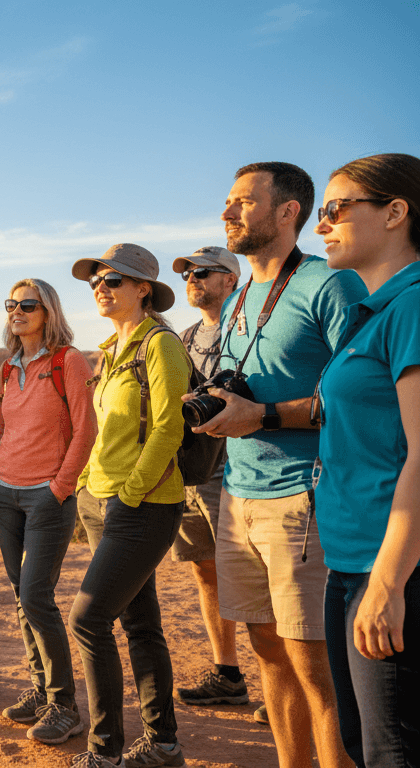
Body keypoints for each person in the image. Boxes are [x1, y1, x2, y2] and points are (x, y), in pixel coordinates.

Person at [192, 162, 367, 768]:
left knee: (316, 668)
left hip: (305, 498)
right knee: (268, 653)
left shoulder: (329, 285)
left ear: (288, 211)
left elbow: (361, 399)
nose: (227, 212)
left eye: (243, 201)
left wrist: (262, 416)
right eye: (228, 200)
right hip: (240, 494)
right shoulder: (239, 297)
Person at [313, 152, 420, 767]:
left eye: (335, 209)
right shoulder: (373, 312)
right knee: (364, 746)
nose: (321, 224)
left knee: (393, 753)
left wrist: (388, 581)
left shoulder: (411, 307)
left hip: (392, 567)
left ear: (396, 212)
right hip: (351, 564)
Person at [69, 244, 187, 768]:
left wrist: (130, 493)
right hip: (102, 501)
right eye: (96, 280)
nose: (101, 287)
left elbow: (169, 427)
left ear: (143, 289)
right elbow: (105, 432)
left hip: (142, 504)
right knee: (139, 622)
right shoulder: (112, 348)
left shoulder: (159, 344)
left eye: (114, 280)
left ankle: (103, 752)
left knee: (89, 621)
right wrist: (87, 486)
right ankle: (163, 744)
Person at [0, 279, 96, 744]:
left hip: (46, 496)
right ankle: (39, 689)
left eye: (27, 305)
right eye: (11, 304)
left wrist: (60, 487)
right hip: (4, 491)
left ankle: (64, 705)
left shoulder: (68, 360)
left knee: (36, 596)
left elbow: (87, 428)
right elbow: (4, 425)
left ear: (47, 311)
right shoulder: (9, 368)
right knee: (20, 594)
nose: (17, 311)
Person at [166, 247, 254, 713]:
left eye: (203, 272)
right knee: (205, 568)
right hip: (194, 470)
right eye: (187, 274)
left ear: (231, 279)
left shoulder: (250, 326)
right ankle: (228, 673)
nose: (193, 280)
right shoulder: (183, 337)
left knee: (256, 573)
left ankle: (286, 684)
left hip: (240, 466)